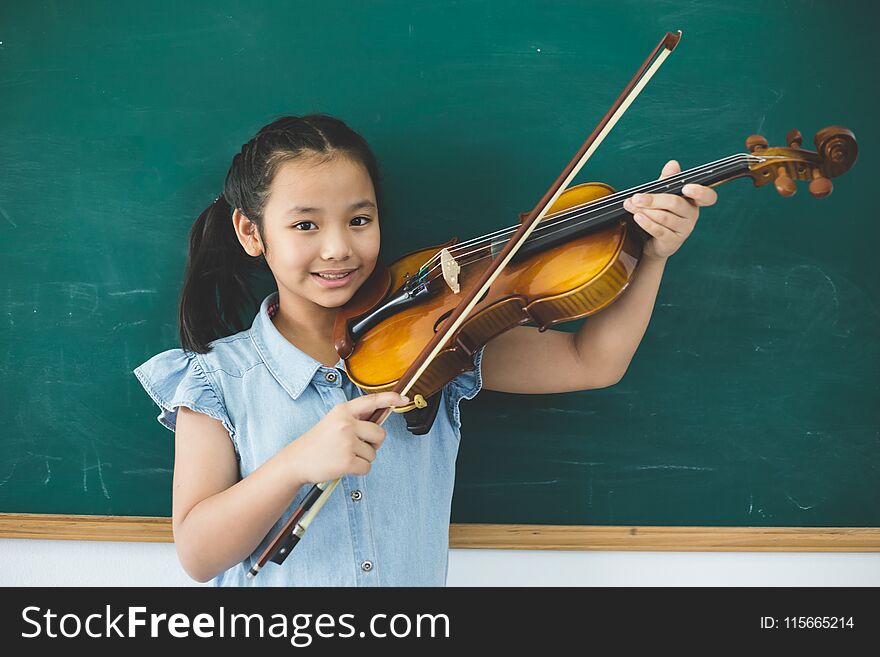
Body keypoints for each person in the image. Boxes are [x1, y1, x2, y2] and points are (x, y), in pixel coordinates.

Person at [133, 113, 717, 586]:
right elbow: (198, 554)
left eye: (359, 219)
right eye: (306, 226)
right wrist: (296, 462)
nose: (338, 248)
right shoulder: (217, 379)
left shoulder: (438, 339)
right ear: (251, 233)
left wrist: (651, 254)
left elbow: (593, 362)